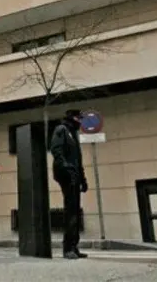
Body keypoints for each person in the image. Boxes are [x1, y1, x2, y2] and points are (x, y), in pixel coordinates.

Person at [50, 109, 89, 260]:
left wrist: (83, 179)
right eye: (80, 118)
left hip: (75, 176)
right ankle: (67, 248)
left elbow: (77, 160)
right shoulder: (62, 130)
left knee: (74, 211)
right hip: (66, 175)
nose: (81, 121)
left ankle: (74, 246)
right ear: (73, 118)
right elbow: (56, 149)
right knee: (70, 211)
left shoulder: (74, 134)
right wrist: (66, 168)